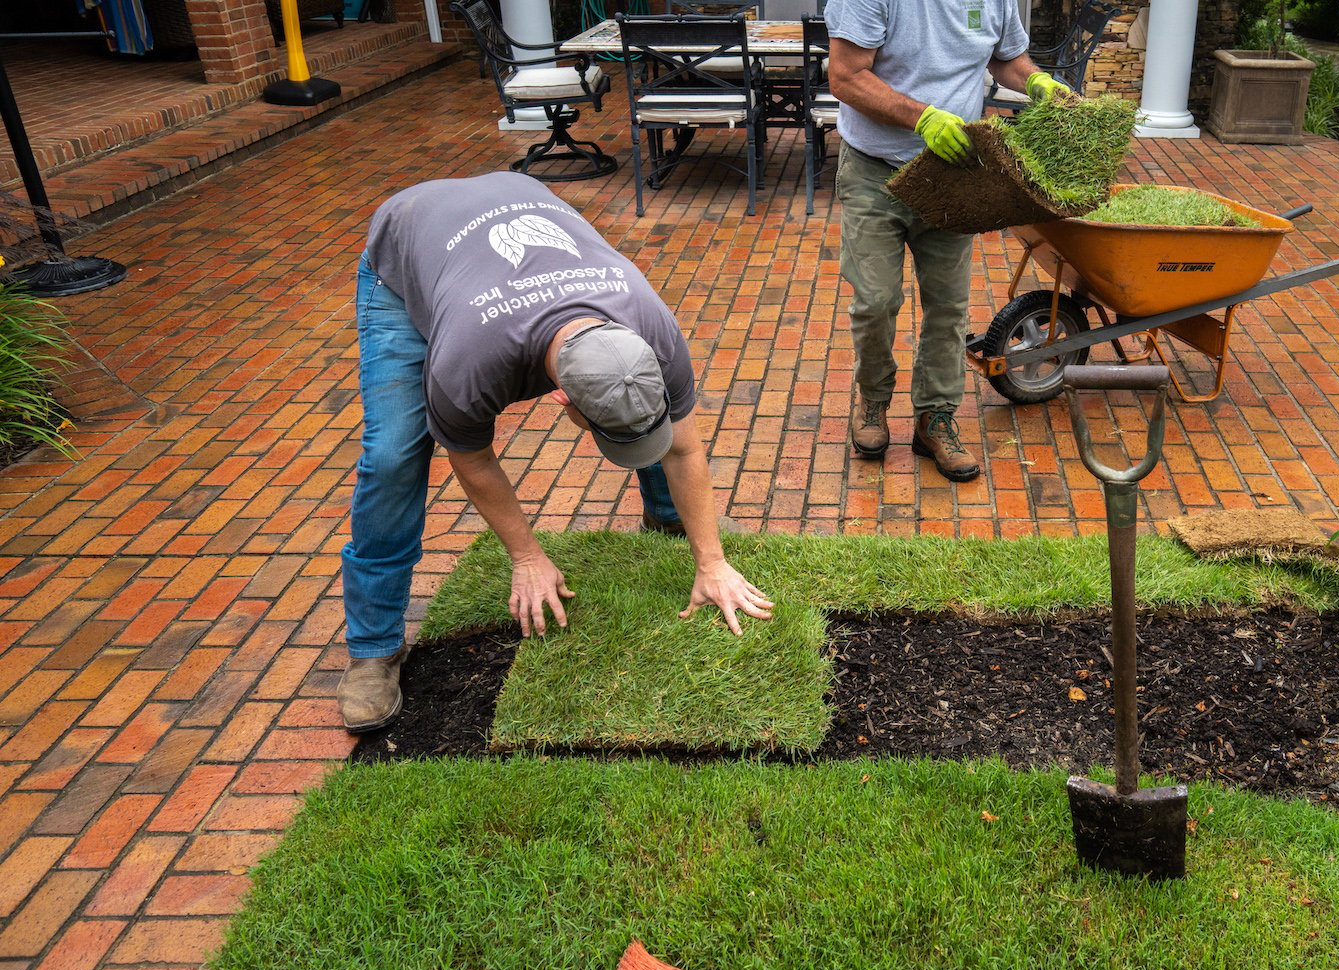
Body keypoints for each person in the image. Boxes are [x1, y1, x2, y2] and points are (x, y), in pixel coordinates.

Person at [336, 172, 773, 733]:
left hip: (509, 207)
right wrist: (526, 556)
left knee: (640, 417)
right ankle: (373, 649)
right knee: (395, 455)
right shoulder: (467, 364)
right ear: (561, 400)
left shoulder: (651, 324)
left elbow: (684, 446)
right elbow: (471, 460)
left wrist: (711, 562)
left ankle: (667, 517)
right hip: (406, 253)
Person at [825, 0, 1070, 482]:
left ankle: (934, 418)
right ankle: (873, 401)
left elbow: (1005, 57)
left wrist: (1035, 80)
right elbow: (846, 76)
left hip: (954, 175)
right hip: (877, 170)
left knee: (949, 307)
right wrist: (923, 118)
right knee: (876, 300)